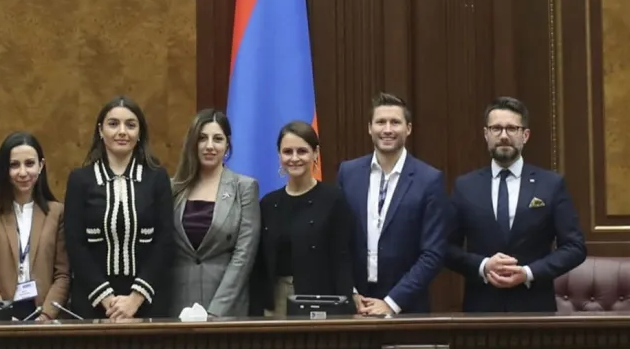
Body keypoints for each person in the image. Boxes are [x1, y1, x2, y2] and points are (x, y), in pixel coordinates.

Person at [446, 96, 587, 312]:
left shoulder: (551, 184)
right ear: (486, 134)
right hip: (481, 310)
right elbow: (445, 248)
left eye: (512, 128)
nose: (504, 136)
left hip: (535, 307)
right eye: (496, 128)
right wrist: (483, 266)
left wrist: (529, 272)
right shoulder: (466, 186)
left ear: (525, 135)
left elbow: (574, 247)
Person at [336, 93, 447, 315]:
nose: (387, 129)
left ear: (408, 128)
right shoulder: (348, 173)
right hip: (355, 306)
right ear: (369, 128)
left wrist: (392, 302)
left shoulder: (429, 179)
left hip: (407, 307)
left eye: (395, 122)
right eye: (380, 122)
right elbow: (338, 241)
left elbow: (433, 253)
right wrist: (351, 292)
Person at [64, 96, 173, 321]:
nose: (122, 131)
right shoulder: (80, 179)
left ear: (139, 133)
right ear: (100, 131)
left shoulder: (157, 178)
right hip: (93, 301)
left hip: (147, 301)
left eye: (130, 125)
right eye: (113, 124)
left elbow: (165, 241)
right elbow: (75, 244)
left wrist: (135, 299)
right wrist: (108, 300)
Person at [250, 121, 356, 315]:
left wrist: (347, 305)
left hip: (321, 301)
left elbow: (342, 259)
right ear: (279, 156)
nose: (294, 158)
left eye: (302, 151)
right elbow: (260, 265)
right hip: (276, 303)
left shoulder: (333, 200)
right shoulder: (268, 203)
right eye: (287, 152)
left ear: (315, 154)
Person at [166, 109, 259, 318]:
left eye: (217, 139)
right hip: (177, 301)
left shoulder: (244, 187)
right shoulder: (172, 188)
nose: (209, 146)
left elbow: (243, 256)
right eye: (202, 138)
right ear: (193, 143)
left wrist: (215, 311)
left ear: (227, 145)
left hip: (225, 305)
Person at [0, 132, 69, 320]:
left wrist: (46, 315)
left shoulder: (57, 213)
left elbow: (63, 275)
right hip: (2, 318)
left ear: (41, 166)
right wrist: (3, 315)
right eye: (14, 165)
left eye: (29, 163)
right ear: (5, 170)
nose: (23, 172)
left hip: (44, 318)